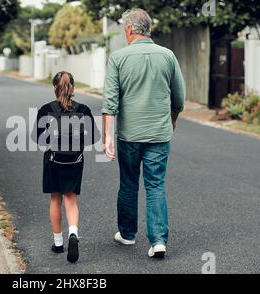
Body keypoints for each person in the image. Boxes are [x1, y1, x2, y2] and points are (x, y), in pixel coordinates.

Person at [102, 9, 186, 258]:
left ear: (129, 29)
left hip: (129, 136)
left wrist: (107, 137)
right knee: (156, 185)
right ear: (148, 29)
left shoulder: (118, 58)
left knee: (128, 183)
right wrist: (172, 121)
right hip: (159, 135)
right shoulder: (168, 56)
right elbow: (179, 98)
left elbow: (110, 102)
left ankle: (127, 234)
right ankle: (158, 240)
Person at [33, 71, 99, 263]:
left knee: (55, 198)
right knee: (71, 199)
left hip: (53, 159)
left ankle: (58, 243)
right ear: (73, 88)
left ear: (54, 87)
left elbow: (37, 138)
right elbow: (93, 137)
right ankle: (73, 234)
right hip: (75, 160)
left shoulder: (46, 109)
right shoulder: (84, 109)